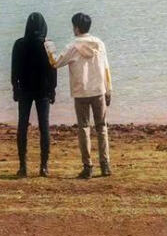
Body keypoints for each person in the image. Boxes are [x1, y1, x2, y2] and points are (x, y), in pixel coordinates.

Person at [46, 13, 112, 179]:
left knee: (84, 128)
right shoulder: (99, 44)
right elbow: (106, 68)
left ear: (76, 27)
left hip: (81, 92)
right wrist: (109, 89)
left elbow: (55, 63)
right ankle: (105, 164)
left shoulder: (72, 46)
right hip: (99, 90)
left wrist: (49, 46)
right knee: (102, 127)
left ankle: (88, 165)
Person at [10, 11, 57, 177]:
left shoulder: (19, 44)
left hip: (24, 90)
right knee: (44, 127)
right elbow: (53, 68)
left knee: (22, 126)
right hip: (43, 90)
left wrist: (15, 88)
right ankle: (44, 167)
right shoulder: (48, 44)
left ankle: (23, 166)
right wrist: (53, 89)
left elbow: (14, 69)